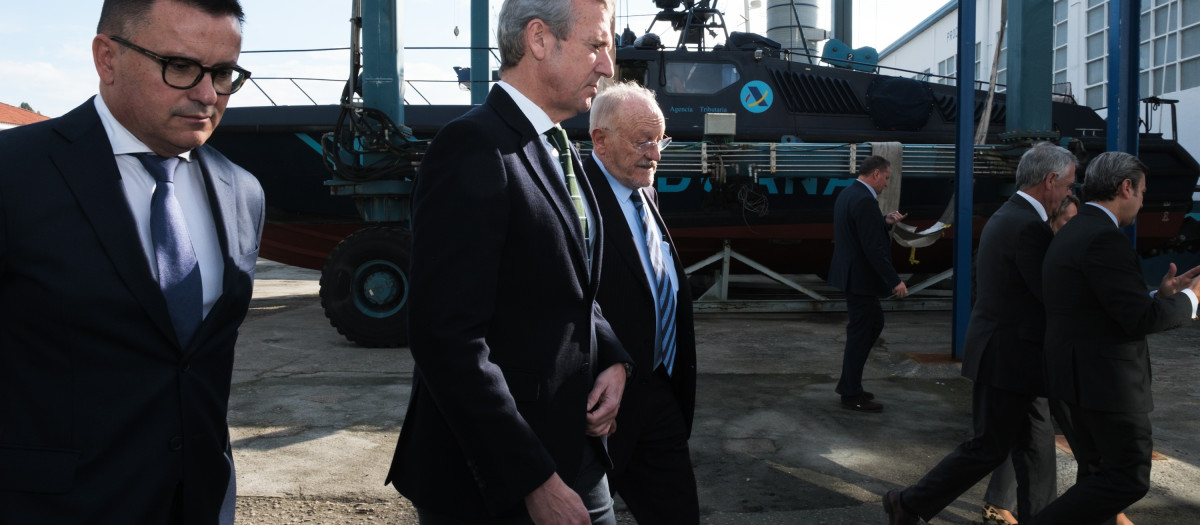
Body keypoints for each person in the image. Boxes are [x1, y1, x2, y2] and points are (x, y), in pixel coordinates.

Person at [0, 0, 263, 522]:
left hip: (200, 502)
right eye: (181, 67)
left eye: (224, 73)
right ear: (107, 58)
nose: (208, 94)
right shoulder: (14, 175)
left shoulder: (243, 191)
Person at [383, 0, 632, 523]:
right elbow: (446, 337)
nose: (608, 67)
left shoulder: (557, 146)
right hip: (498, 478)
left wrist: (610, 354)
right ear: (539, 40)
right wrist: (532, 480)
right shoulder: (473, 148)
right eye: (596, 46)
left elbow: (569, 284)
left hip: (574, 451)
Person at [884, 143, 1077, 525]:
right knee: (989, 448)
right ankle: (906, 503)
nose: (1072, 191)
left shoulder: (1012, 217)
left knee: (1036, 448)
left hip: (1016, 358)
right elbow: (1050, 294)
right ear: (1050, 180)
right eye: (1070, 184)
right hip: (1009, 359)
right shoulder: (1027, 226)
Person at [1028, 151, 1200, 525]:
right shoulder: (1106, 239)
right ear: (1126, 187)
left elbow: (1101, 304)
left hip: (1072, 378)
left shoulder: (1074, 230)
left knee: (1097, 474)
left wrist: (1161, 296)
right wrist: (1192, 299)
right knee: (1127, 478)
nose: (1142, 202)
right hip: (1106, 385)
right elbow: (1136, 320)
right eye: (1141, 193)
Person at [581, 82, 700, 524]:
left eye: (660, 140)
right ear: (601, 140)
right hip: (600, 400)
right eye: (643, 141)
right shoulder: (571, 195)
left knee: (677, 512)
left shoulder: (644, 189)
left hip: (660, 387)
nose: (655, 154)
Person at [979, 192, 1081, 525]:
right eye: (1068, 221)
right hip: (1031, 355)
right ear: (1053, 220)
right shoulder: (1033, 241)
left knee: (1027, 436)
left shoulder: (1038, 238)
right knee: (1038, 436)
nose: (1073, 228)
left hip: (1039, 355)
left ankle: (1002, 503)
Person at [828, 155, 909, 412]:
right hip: (861, 279)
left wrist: (883, 222)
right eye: (886, 178)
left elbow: (859, 230)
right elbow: (873, 248)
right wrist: (894, 280)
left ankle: (848, 383)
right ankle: (851, 394)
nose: (886, 184)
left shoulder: (848, 194)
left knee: (871, 325)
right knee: (861, 334)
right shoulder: (865, 200)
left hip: (851, 275)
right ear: (875, 174)